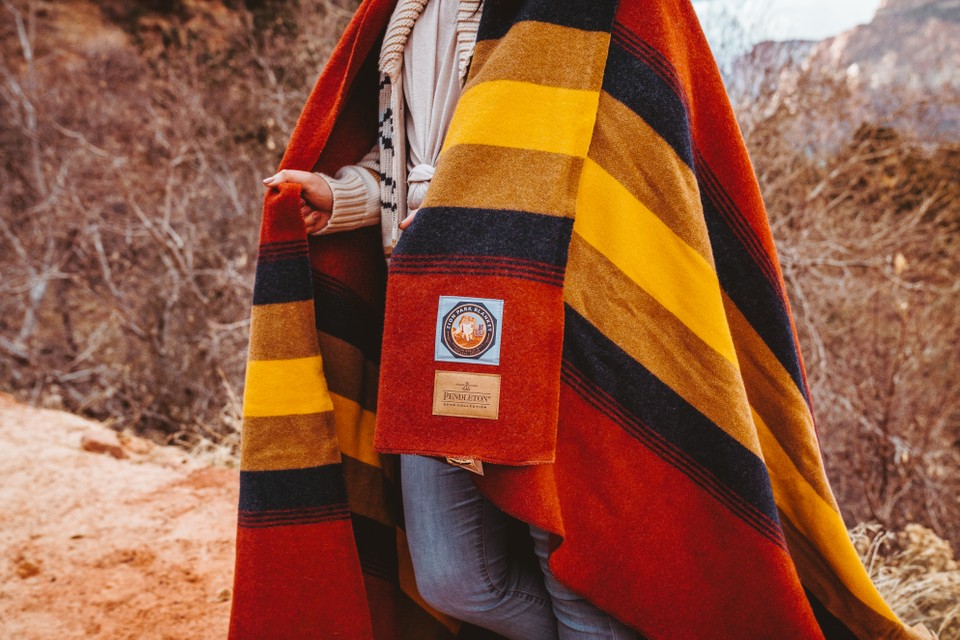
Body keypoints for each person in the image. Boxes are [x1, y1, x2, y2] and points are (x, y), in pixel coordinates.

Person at [263, 0, 637, 638]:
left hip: (547, 308)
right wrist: (343, 194)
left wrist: (471, 215)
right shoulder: (406, 8)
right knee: (456, 576)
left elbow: (616, 151)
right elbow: (409, 155)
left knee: (570, 567)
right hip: (428, 314)